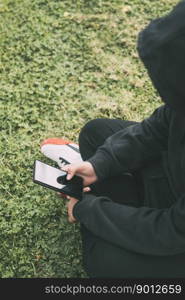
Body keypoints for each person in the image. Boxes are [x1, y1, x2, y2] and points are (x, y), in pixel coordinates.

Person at [41, 0, 185, 278]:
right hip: (174, 185)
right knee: (97, 133)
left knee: (106, 265)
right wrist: (100, 165)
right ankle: (108, 194)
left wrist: (90, 210)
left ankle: (107, 205)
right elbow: (159, 128)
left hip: (176, 231)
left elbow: (171, 230)